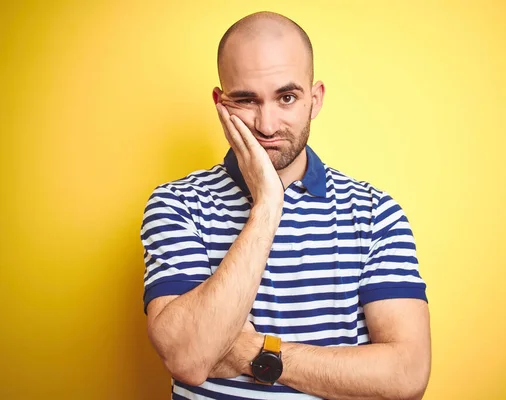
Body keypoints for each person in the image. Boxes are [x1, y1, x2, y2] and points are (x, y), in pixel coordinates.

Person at [141, 11, 431, 400]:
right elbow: (190, 358)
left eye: (287, 97)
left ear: (315, 100)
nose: (267, 124)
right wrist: (267, 205)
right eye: (246, 100)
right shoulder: (178, 205)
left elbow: (407, 376)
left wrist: (255, 352)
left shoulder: (376, 214)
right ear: (220, 103)